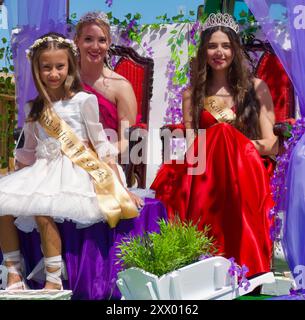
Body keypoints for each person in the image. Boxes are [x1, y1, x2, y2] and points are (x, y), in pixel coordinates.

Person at [0, 32, 141, 291]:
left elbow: (100, 145)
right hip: (42, 169)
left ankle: (53, 279)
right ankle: (13, 272)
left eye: (59, 66)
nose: (53, 73)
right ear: (37, 70)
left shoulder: (83, 101)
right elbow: (29, 151)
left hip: (75, 170)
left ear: (69, 67)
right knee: (4, 205)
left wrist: (121, 185)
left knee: (41, 208)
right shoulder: (35, 108)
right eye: (47, 67)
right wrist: (14, 180)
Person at [151, 13, 278, 277]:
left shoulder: (256, 88)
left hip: (246, 170)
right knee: (215, 139)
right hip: (206, 173)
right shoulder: (192, 94)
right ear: (203, 50)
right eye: (212, 45)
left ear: (235, 49)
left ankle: (240, 260)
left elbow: (271, 145)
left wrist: (232, 144)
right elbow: (191, 146)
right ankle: (203, 260)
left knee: (222, 133)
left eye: (225, 45)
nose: (219, 52)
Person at [74, 11, 139, 160]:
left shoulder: (121, 87)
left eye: (102, 40)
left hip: (104, 162)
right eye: (88, 39)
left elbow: (125, 140)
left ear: (109, 42)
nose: (95, 47)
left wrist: (98, 156)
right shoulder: (66, 81)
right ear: (77, 41)